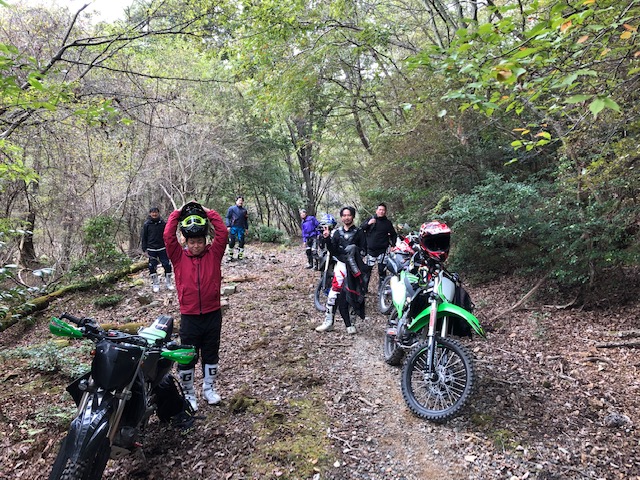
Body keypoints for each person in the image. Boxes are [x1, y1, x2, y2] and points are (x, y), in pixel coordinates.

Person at [163, 201, 228, 411]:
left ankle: (209, 389)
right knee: (187, 356)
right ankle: (189, 393)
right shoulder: (178, 257)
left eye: (200, 241)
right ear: (186, 241)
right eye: (192, 242)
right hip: (189, 316)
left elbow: (223, 233)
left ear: (205, 240)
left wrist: (209, 212)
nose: (196, 245)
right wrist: (177, 213)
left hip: (212, 314)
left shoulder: (214, 254)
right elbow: (168, 237)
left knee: (211, 353)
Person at [315, 206, 367, 335]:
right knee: (333, 294)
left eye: (349, 215)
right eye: (344, 215)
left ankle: (351, 323)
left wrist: (354, 251)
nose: (346, 217)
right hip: (341, 266)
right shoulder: (337, 233)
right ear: (341, 217)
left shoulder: (359, 232)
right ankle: (328, 322)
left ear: (353, 216)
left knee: (353, 294)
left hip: (354, 268)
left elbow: (364, 250)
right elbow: (333, 250)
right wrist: (327, 238)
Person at [360, 203, 397, 291]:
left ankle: (382, 291)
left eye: (383, 210)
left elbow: (394, 234)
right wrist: (368, 223)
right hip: (370, 250)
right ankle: (363, 290)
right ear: (376, 211)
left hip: (383, 250)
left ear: (385, 212)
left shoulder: (387, 223)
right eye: (380, 210)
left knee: (382, 271)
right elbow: (361, 229)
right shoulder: (371, 219)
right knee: (367, 271)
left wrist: (393, 245)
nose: (381, 211)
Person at [141, 206, 174, 293]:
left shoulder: (163, 223)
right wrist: (144, 249)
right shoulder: (147, 224)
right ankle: (155, 284)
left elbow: (167, 235)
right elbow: (144, 237)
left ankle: (168, 282)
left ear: (158, 213)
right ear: (150, 213)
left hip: (162, 248)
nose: (154, 214)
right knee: (152, 266)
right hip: (151, 249)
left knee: (167, 265)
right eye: (152, 212)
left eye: (156, 212)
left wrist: (169, 245)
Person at [225, 196, 249, 260]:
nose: (240, 202)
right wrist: (228, 226)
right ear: (236, 201)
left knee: (242, 242)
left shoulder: (244, 210)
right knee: (232, 241)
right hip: (233, 227)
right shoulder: (231, 209)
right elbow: (227, 217)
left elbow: (245, 220)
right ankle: (230, 255)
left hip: (241, 228)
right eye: (239, 200)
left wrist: (246, 228)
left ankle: (240, 255)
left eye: (242, 201)